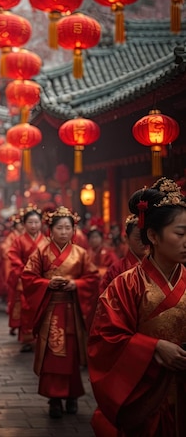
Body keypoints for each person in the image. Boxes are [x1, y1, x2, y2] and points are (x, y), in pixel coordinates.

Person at [88, 177, 186, 436]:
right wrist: (153, 348)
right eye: (180, 233)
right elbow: (104, 338)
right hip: (144, 393)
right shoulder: (126, 284)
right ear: (153, 235)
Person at [21, 206, 99, 419]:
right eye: (60, 228)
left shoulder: (81, 254)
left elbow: (92, 279)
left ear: (74, 230)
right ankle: (54, 398)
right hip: (51, 308)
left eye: (68, 228)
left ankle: (72, 395)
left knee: (71, 354)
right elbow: (28, 277)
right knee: (52, 354)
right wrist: (47, 283)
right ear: (51, 230)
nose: (64, 232)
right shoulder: (41, 252)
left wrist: (76, 284)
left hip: (72, 309)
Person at [8, 206, 49, 353]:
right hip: (25, 279)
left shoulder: (46, 241)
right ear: (24, 224)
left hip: (40, 279)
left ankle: (41, 337)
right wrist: (25, 270)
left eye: (36, 222)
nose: (33, 226)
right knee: (26, 308)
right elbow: (13, 256)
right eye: (30, 223)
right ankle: (27, 339)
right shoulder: (19, 241)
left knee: (41, 307)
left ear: (41, 224)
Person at [98, 214, 148, 293]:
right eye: (138, 238)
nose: (144, 242)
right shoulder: (116, 269)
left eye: (146, 238)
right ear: (127, 239)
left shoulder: (160, 265)